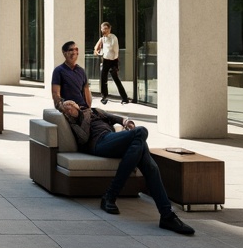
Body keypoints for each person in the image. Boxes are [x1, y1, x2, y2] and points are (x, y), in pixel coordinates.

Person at [58, 99, 194, 235]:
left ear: (77, 104)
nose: (69, 108)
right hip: (99, 144)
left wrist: (126, 122)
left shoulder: (94, 111)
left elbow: (115, 118)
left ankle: (163, 214)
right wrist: (75, 116)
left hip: (113, 138)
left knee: (141, 150)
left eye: (70, 105)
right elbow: (83, 138)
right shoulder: (74, 122)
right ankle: (166, 214)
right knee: (141, 133)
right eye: (66, 109)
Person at [94, 21, 130, 105]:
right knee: (103, 79)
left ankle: (124, 98)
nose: (104, 30)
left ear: (109, 29)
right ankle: (104, 97)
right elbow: (96, 48)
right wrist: (98, 52)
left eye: (106, 28)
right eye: (103, 29)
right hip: (105, 60)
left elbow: (115, 51)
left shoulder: (113, 38)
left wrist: (115, 64)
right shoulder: (102, 38)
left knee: (116, 79)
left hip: (113, 61)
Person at [51, 39, 92, 109]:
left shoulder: (81, 71)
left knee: (108, 117)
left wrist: (88, 108)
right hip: (69, 108)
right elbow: (55, 94)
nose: (74, 52)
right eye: (71, 50)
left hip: (82, 108)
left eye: (76, 49)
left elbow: (86, 92)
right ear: (64, 53)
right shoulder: (58, 71)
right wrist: (62, 106)